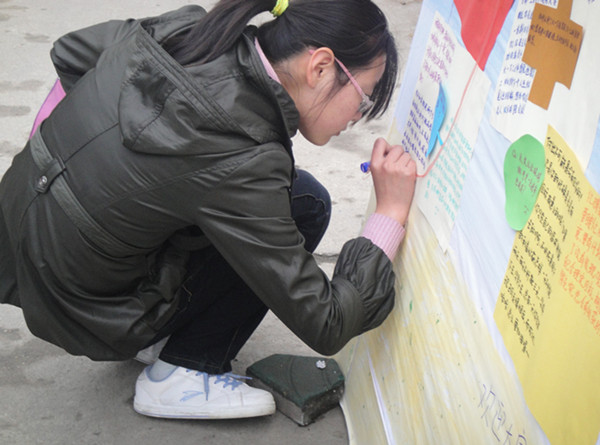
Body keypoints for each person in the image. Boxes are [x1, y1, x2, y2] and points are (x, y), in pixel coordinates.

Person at [0, 0, 416, 420]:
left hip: (20, 238)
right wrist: (389, 213)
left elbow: (70, 53)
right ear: (321, 67)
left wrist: (58, 168)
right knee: (306, 207)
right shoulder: (244, 158)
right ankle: (183, 372)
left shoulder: (187, 30)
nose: (357, 117)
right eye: (363, 98)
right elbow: (327, 321)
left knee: (294, 193)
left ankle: (158, 325)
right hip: (87, 308)